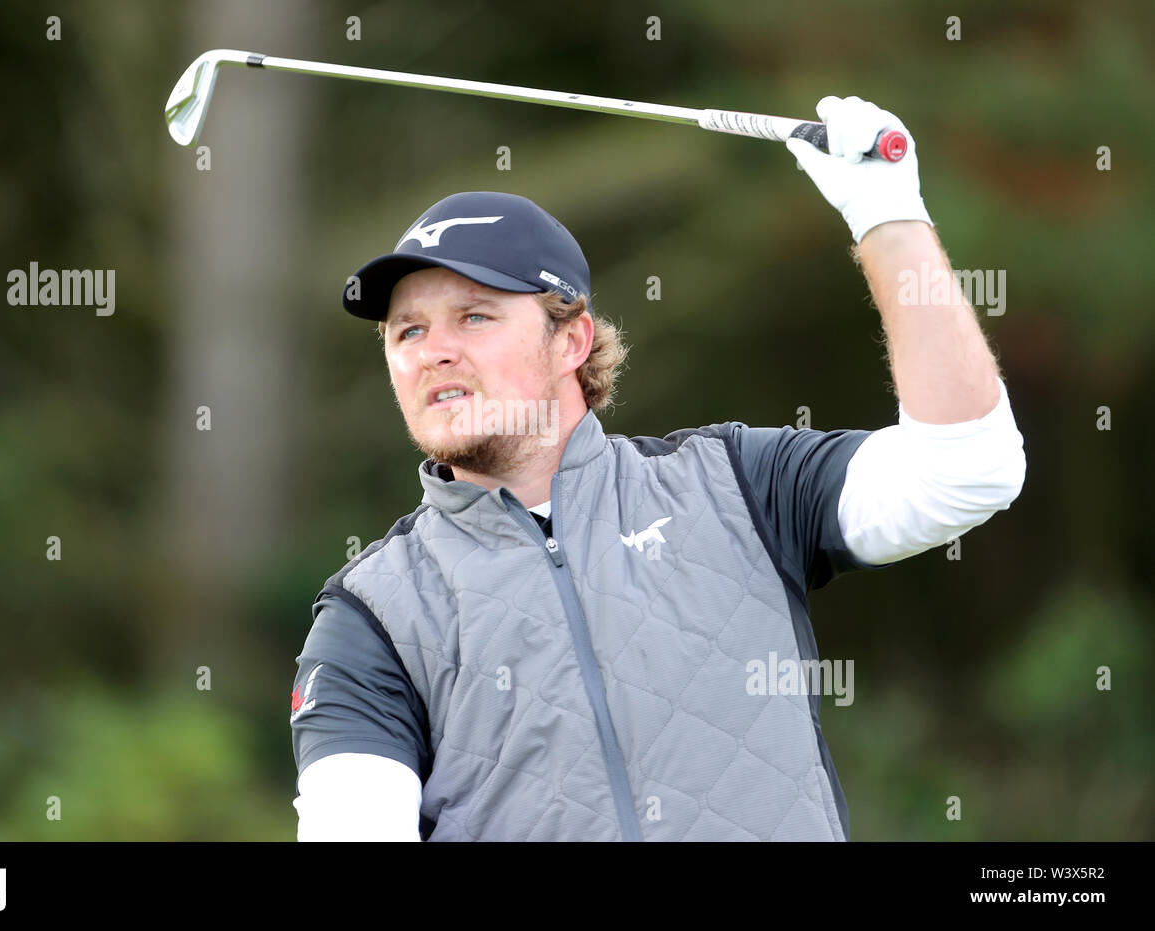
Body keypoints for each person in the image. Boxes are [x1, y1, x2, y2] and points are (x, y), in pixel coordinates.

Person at [289, 95, 1026, 841]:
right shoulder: (370, 617)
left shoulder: (735, 483)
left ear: (571, 340)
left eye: (474, 316)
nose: (432, 350)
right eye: (407, 330)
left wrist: (887, 217)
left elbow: (969, 470)